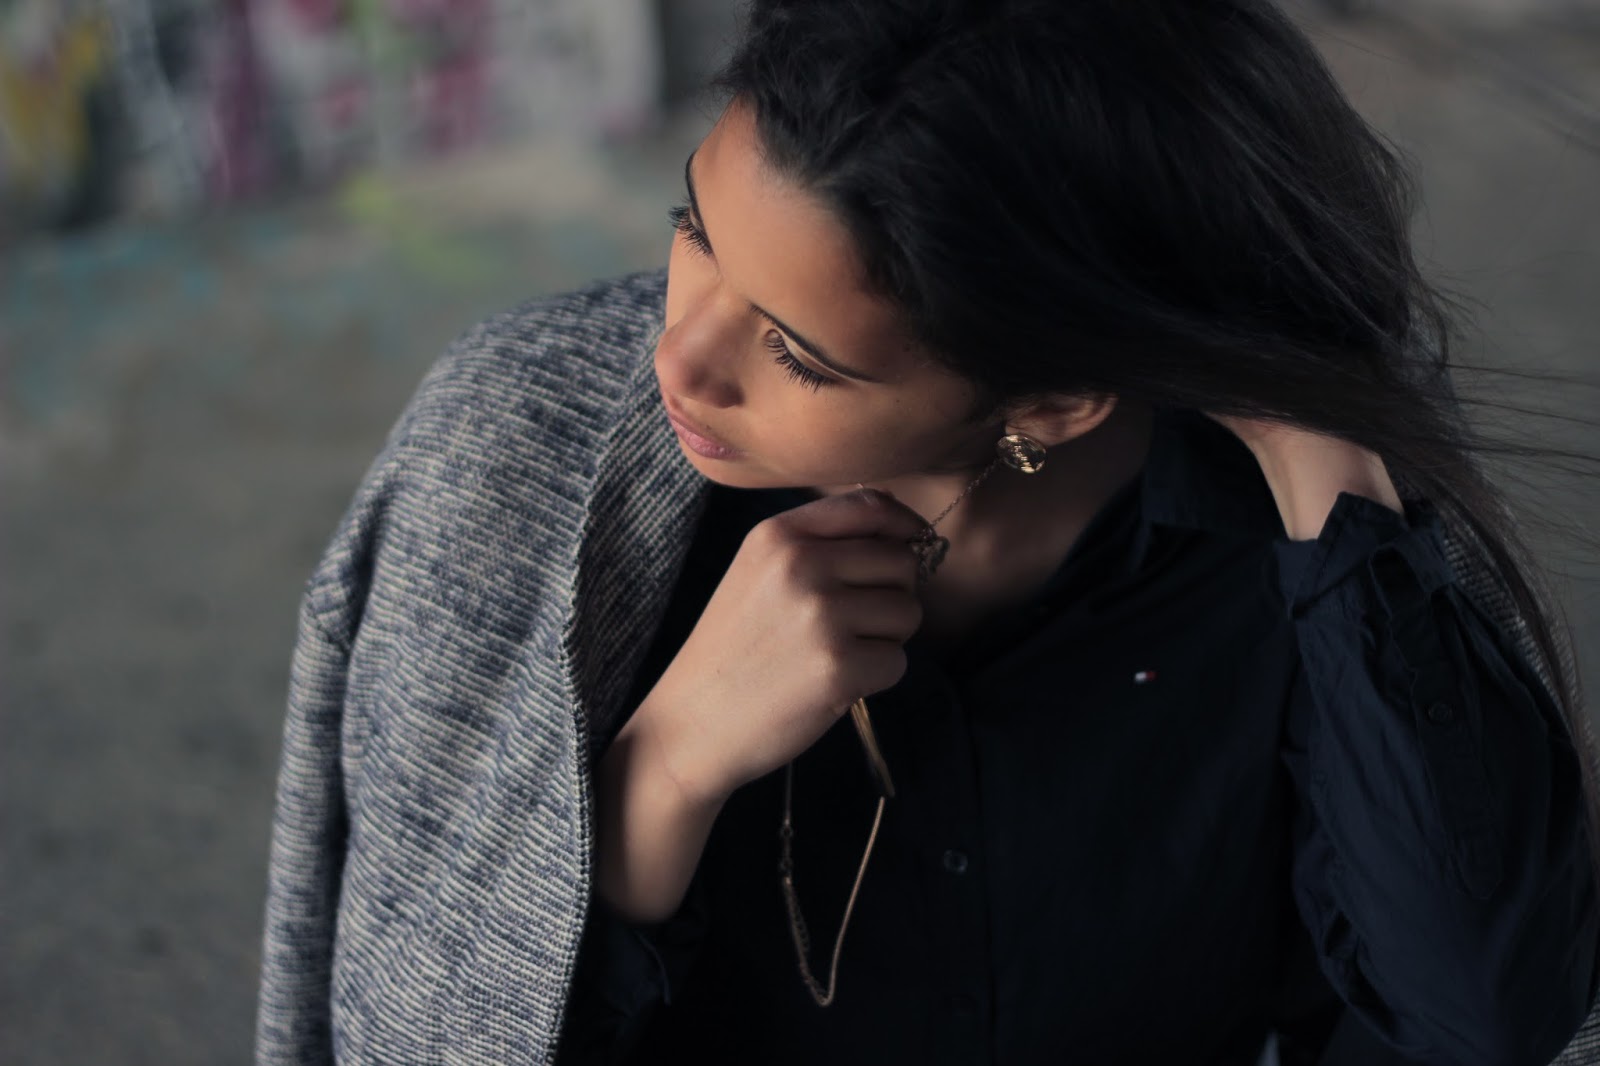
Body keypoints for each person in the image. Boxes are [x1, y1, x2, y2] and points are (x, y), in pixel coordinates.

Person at [255, 1, 1600, 1063]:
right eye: (695, 230)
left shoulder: (1283, 541)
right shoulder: (514, 449)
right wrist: (665, 768)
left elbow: (1487, 1015)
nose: (684, 359)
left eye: (797, 351)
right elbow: (408, 1031)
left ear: (1053, 401)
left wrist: (1319, 418)